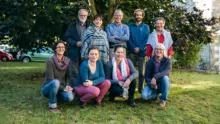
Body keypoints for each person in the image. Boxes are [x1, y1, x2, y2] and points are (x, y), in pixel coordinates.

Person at [41, 40, 75, 113]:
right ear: (55, 49)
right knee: (56, 82)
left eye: (63, 47)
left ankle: (54, 98)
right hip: (48, 87)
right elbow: (50, 79)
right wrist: (64, 88)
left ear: (65, 49)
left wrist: (68, 86)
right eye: (59, 47)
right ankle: (52, 106)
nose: (61, 48)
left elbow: (69, 76)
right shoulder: (50, 61)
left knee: (70, 97)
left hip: (61, 88)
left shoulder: (67, 61)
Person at [128, 9, 150, 93]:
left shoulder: (146, 27)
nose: (138, 16)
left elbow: (147, 39)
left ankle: (141, 89)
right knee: (131, 71)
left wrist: (140, 48)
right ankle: (131, 87)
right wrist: (133, 48)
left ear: (142, 16)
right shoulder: (130, 26)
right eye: (137, 15)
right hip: (132, 52)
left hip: (142, 52)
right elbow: (128, 39)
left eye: (140, 15)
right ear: (135, 16)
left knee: (142, 72)